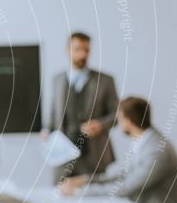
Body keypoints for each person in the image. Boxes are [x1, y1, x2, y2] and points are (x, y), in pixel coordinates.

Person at [44, 32, 120, 183]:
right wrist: (46, 130)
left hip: (94, 154)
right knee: (58, 197)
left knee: (95, 197)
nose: (82, 54)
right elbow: (54, 113)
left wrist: (100, 125)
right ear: (67, 50)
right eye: (77, 49)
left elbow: (117, 115)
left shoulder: (105, 80)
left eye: (86, 50)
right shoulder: (57, 79)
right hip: (62, 154)